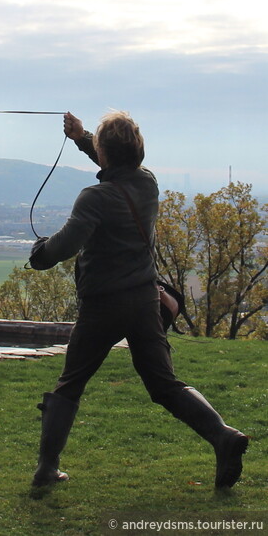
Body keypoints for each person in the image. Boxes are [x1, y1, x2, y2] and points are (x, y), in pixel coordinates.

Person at [28, 111, 248, 490]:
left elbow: (64, 246)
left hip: (103, 305)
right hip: (146, 300)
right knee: (165, 385)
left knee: (70, 385)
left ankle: (47, 469)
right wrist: (82, 138)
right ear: (138, 151)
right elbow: (117, 165)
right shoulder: (147, 184)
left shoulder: (94, 198)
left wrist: (39, 254)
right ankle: (222, 435)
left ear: (105, 152)